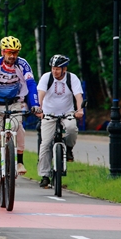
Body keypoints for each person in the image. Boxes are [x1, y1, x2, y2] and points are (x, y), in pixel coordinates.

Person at [0, 36, 42, 187]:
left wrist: (35, 104)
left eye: (15, 53)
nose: (12, 56)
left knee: (19, 128)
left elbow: (31, 84)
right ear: (3, 52)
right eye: (9, 52)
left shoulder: (23, 64)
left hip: (14, 102)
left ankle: (20, 161)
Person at [36, 54, 84, 188]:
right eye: (53, 68)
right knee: (45, 143)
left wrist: (80, 110)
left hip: (67, 112)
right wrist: (39, 108)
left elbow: (78, 95)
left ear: (64, 69)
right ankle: (45, 175)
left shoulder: (71, 78)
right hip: (48, 113)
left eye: (57, 68)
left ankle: (68, 148)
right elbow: (41, 94)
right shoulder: (47, 77)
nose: (54, 71)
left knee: (72, 129)